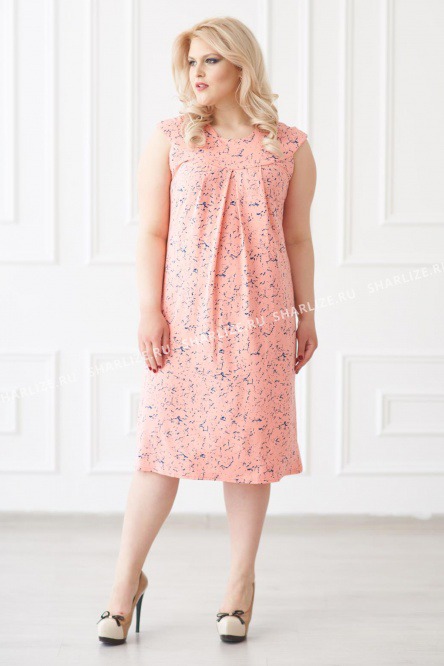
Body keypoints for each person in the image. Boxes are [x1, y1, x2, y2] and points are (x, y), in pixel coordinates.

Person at [97, 15, 317, 645]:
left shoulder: (289, 146)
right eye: (191, 61)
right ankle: (124, 583)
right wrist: (150, 309)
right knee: (159, 449)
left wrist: (306, 314)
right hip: (185, 318)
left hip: (263, 318)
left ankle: (240, 585)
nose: (197, 72)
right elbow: (152, 232)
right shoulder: (172, 138)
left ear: (242, 66)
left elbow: (298, 238)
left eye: (211, 60)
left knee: (251, 454)